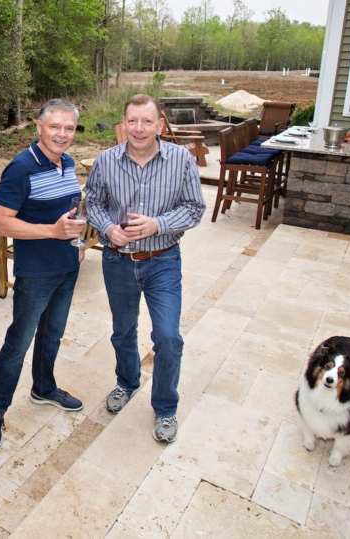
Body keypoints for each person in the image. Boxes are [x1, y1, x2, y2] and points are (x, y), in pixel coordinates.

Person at [84, 94, 206, 443]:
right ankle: (127, 381)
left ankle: (166, 406)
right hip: (117, 262)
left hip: (163, 261)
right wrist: (108, 229)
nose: (139, 128)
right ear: (123, 124)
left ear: (160, 125)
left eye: (147, 121)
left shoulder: (181, 160)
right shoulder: (106, 162)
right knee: (123, 331)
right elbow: (93, 203)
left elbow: (194, 208)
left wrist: (158, 224)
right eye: (133, 121)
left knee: (168, 337)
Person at [0, 98, 87, 449]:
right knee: (19, 342)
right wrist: (52, 232)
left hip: (67, 267)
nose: (62, 134)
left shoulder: (67, 162)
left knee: (52, 335)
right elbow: (0, 224)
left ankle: (43, 388)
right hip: (36, 273)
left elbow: (69, 209)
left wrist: (79, 240)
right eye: (55, 126)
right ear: (38, 127)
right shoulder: (20, 168)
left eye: (69, 128)